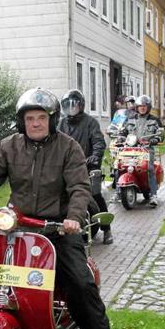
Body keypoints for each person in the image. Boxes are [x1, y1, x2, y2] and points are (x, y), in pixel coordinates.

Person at [0, 88, 115, 329]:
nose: (35, 123)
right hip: (18, 227)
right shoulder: (9, 146)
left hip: (57, 229)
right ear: (22, 121)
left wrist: (73, 218)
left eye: (41, 117)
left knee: (80, 282)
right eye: (30, 118)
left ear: (51, 119)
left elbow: (80, 187)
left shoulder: (68, 147)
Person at [58, 89, 114, 245]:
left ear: (81, 106)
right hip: (64, 168)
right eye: (67, 105)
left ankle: (106, 229)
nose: (71, 108)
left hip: (86, 167)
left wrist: (95, 156)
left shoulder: (90, 123)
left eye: (74, 105)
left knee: (95, 195)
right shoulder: (60, 123)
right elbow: (53, 143)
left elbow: (98, 141)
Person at [121, 94, 164, 207]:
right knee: (118, 165)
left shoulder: (155, 120)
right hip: (130, 149)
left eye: (144, 106)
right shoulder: (130, 119)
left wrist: (153, 140)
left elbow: (161, 135)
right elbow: (123, 132)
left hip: (146, 149)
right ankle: (117, 192)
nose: (142, 108)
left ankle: (154, 195)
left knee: (149, 168)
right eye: (140, 106)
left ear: (148, 107)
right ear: (137, 107)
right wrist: (120, 137)